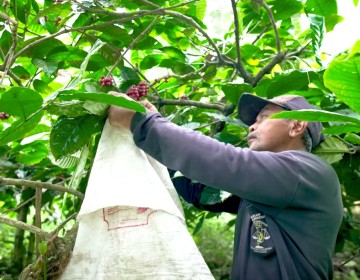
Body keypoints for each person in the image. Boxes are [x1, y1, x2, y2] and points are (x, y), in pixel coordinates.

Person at [108, 92, 344, 280]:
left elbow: (223, 160)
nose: (252, 126)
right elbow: (200, 193)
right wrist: (155, 130)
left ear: (296, 126)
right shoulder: (268, 188)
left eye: (263, 117)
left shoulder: (306, 172)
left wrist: (141, 122)